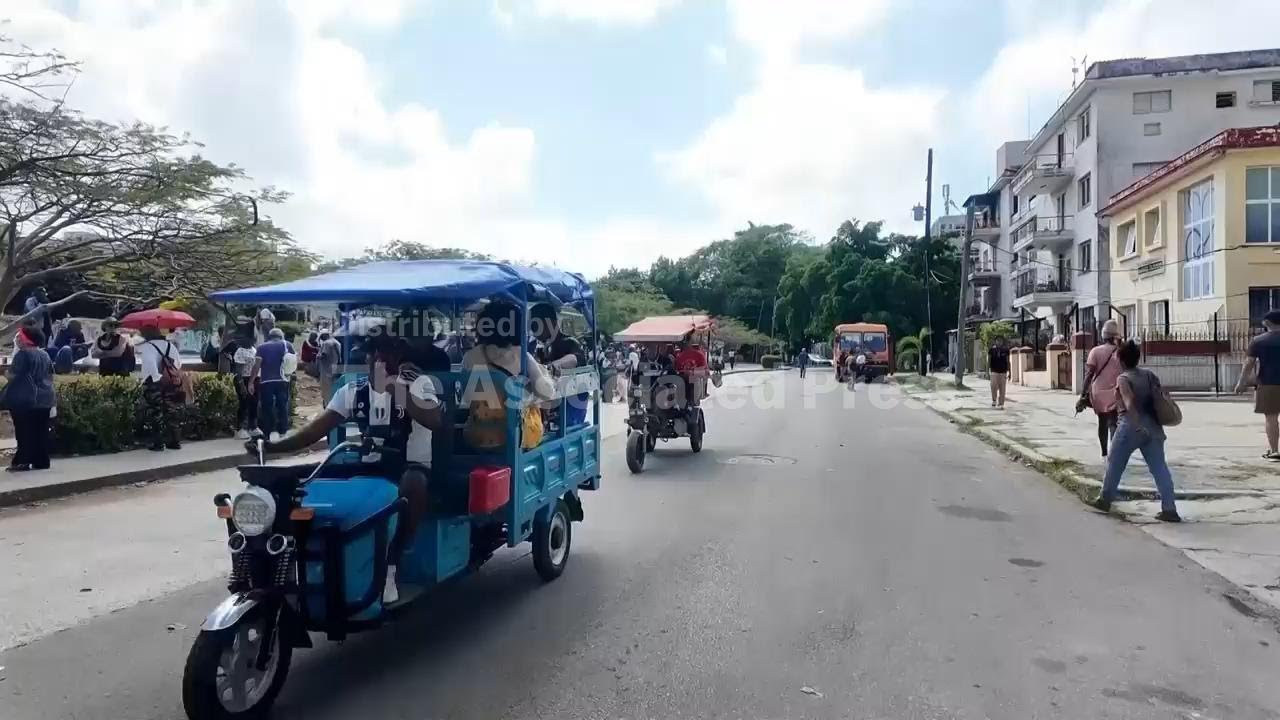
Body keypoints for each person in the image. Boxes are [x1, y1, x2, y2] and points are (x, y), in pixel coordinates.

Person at [258, 333, 444, 604]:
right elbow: (315, 430)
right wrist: (273, 447)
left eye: (387, 353)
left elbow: (434, 419)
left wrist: (395, 390)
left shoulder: (418, 383)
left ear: (398, 356)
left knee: (413, 485)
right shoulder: (353, 390)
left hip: (409, 466)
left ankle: (392, 564)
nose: (380, 359)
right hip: (370, 465)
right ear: (366, 357)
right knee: (303, 483)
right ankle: (293, 563)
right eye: (374, 353)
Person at [1091, 340, 1180, 522]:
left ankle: (1104, 500)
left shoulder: (1123, 378)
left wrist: (1137, 424)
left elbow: (1129, 402)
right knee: (1159, 468)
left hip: (1130, 426)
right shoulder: (1149, 375)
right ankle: (1170, 509)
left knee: (1115, 462)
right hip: (1154, 427)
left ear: (1120, 360)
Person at [462, 300, 556, 449]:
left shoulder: (469, 357)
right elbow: (546, 393)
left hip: (477, 436)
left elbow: (467, 397)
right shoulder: (522, 356)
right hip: (514, 438)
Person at [6, 326, 55, 472]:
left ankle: (22, 461)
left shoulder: (22, 355)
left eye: (19, 337)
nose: (17, 339)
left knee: (24, 431)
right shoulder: (44, 354)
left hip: (26, 399)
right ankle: (41, 461)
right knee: (40, 430)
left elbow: (14, 376)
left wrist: (6, 374)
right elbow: (51, 375)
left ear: (26, 339)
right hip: (46, 397)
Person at [1236, 309, 1280, 461]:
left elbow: (1248, 364)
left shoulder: (1259, 341)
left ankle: (1275, 451)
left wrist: (1241, 382)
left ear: (1267, 323)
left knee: (1271, 418)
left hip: (1268, 384)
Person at [1077, 320, 1123, 457]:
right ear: (1116, 336)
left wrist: (1083, 394)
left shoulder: (1095, 351)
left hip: (1098, 393)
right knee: (1113, 422)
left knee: (1102, 422)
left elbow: (1089, 374)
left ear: (1103, 335)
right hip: (1116, 391)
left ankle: (1104, 452)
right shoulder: (1121, 352)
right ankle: (1114, 454)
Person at [137, 324, 184, 451]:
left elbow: (149, 363)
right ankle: (174, 441)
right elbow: (178, 363)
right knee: (171, 410)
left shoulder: (148, 346)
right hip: (170, 382)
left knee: (155, 412)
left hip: (154, 382)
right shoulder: (170, 345)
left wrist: (155, 377)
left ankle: (158, 443)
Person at [250, 327, 292, 442]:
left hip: (266, 382)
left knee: (266, 409)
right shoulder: (287, 345)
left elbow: (257, 365)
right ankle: (283, 433)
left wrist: (251, 382)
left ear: (270, 336)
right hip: (283, 380)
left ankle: (267, 434)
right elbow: (293, 363)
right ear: (281, 336)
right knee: (282, 407)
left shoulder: (262, 347)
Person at [220, 328, 258, 439]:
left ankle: (253, 427)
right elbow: (238, 371)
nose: (253, 341)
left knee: (253, 404)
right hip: (243, 379)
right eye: (252, 338)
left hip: (252, 379)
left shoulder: (253, 349)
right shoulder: (240, 350)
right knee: (244, 403)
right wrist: (241, 385)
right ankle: (240, 428)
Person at [315, 330, 343, 403]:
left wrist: (317, 356)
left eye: (321, 337)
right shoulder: (337, 342)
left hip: (326, 370)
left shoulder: (326, 343)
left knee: (327, 391)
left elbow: (323, 355)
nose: (321, 339)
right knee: (334, 389)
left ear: (325, 335)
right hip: (335, 369)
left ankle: (328, 406)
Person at [988, 336, 1010, 408]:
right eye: (998, 340)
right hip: (994, 371)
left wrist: (1009, 371)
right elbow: (989, 360)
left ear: (1002, 342)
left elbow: (1008, 361)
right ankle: (994, 400)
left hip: (1003, 371)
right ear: (995, 341)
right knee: (993, 386)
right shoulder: (991, 350)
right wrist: (988, 370)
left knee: (1002, 388)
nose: (999, 342)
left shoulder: (1006, 350)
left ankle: (1001, 403)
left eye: (1000, 341)